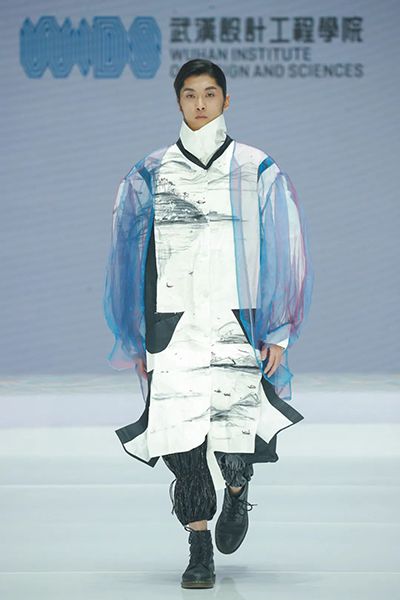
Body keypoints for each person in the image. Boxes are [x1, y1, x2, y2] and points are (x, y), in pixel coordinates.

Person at [103, 59, 314, 589]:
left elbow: (285, 247)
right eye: (190, 94)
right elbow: (126, 256)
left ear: (226, 100)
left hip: (236, 323)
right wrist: (135, 335)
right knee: (180, 439)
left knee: (233, 437)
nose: (200, 104)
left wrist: (279, 330)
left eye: (210, 93)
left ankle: (237, 493)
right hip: (172, 326)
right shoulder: (150, 172)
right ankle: (199, 549)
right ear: (178, 101)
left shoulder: (258, 169)